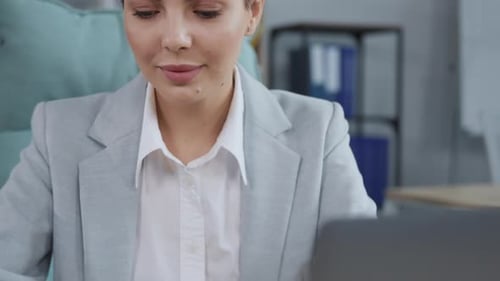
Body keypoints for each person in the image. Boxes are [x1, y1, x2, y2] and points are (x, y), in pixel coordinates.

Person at [0, 0, 376, 280]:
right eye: (146, 12)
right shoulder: (60, 134)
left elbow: (366, 269)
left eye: (206, 11)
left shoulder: (318, 133)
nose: (174, 38)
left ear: (252, 13)